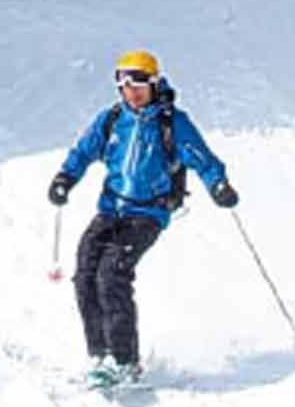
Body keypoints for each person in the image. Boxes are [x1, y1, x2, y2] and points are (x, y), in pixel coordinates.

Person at [48, 48, 238, 386]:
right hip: (111, 209)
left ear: (153, 84)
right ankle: (101, 355)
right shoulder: (112, 120)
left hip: (148, 212)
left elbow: (200, 156)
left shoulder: (171, 122)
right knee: (86, 272)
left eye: (139, 84)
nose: (132, 92)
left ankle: (126, 361)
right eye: (125, 85)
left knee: (112, 275)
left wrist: (218, 184)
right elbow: (83, 151)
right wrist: (65, 178)